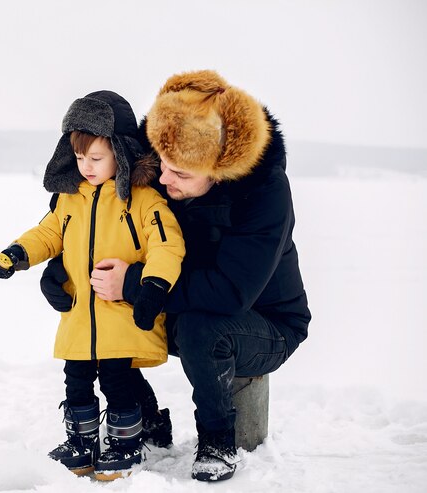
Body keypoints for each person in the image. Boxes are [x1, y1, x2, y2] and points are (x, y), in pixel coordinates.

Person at [40, 70, 311, 482]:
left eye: (180, 174)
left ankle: (218, 441)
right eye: (163, 167)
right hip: (183, 307)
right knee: (103, 308)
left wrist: (133, 284)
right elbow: (108, 220)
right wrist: (60, 268)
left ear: (219, 172)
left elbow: (230, 293)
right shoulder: (165, 164)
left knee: (203, 329)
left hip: (265, 322)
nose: (164, 180)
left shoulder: (265, 194)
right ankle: (142, 419)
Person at [0, 90, 185, 480]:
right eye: (79, 158)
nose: (86, 166)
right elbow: (47, 235)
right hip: (81, 315)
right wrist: (18, 253)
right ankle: (81, 445)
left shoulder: (143, 200)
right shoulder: (69, 199)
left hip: (121, 315)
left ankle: (126, 443)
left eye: (96, 158)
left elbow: (167, 243)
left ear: (121, 152)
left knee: (116, 380)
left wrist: (154, 285)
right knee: (75, 379)